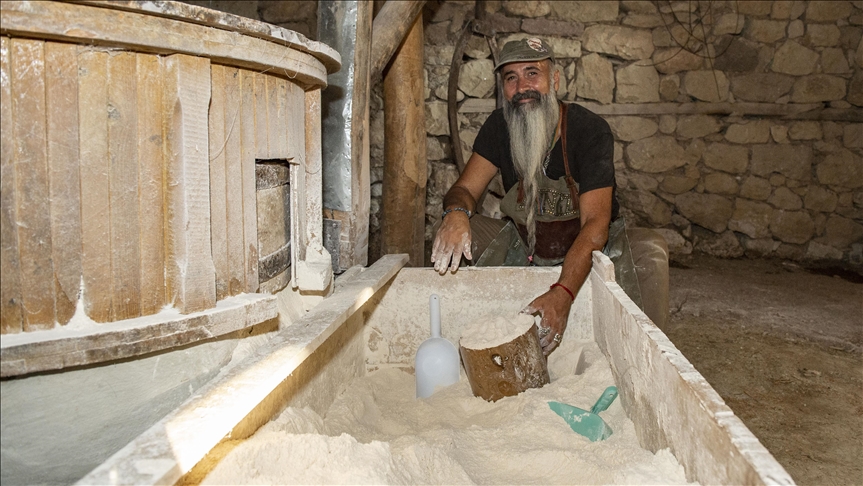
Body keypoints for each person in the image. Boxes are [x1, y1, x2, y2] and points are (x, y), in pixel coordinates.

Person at [430, 37, 669, 356]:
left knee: (650, 252)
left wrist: (563, 292)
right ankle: (456, 339)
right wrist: (456, 214)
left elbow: (596, 224)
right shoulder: (499, 127)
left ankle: (647, 357)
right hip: (524, 243)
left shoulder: (589, 130)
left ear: (554, 80)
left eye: (532, 73)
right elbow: (464, 190)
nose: (521, 87)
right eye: (511, 78)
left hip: (586, 244)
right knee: (448, 239)